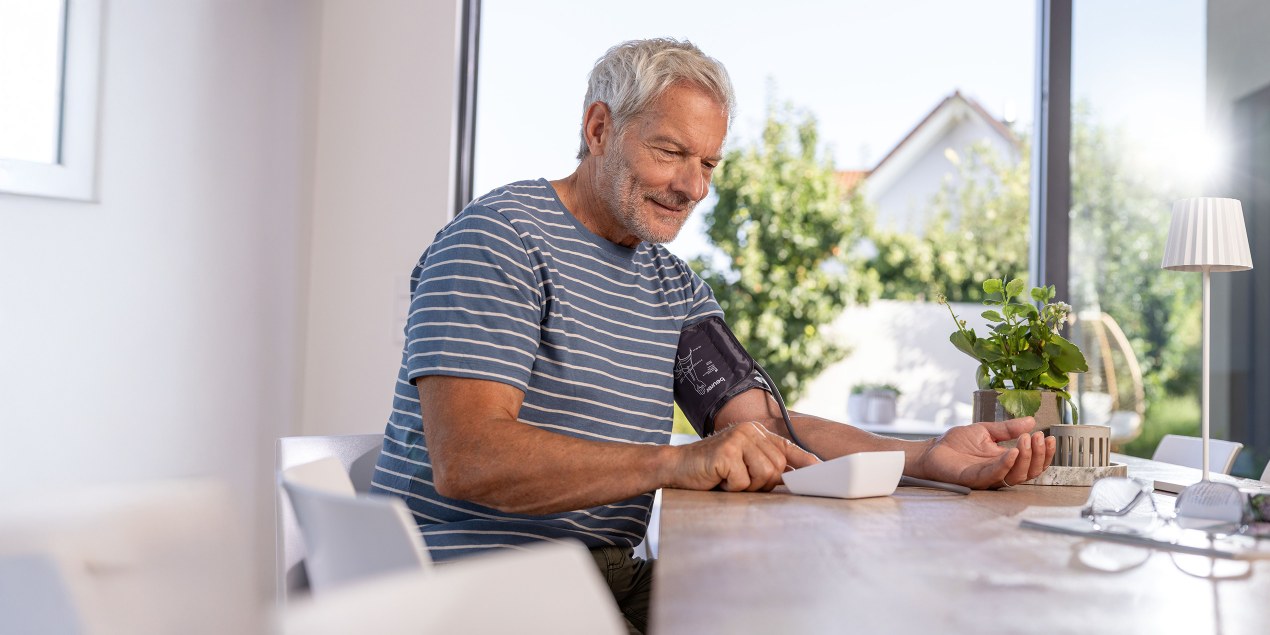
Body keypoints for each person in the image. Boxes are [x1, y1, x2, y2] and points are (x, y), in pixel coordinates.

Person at [371, 38, 1055, 634]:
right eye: (671, 152)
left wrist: (925, 456)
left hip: (601, 575)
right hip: (475, 585)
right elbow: (469, 458)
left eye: (709, 163)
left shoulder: (671, 284)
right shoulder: (500, 240)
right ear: (599, 127)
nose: (692, 187)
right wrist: (675, 459)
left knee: (816, 611)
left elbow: (761, 431)